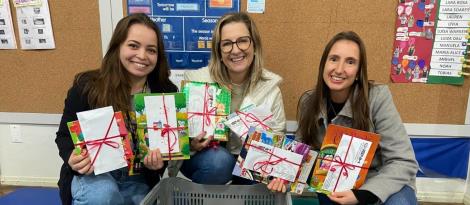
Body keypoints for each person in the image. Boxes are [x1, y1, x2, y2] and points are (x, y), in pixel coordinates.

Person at [268, 31, 418, 205]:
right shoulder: (309, 101)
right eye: (333, 59)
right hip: (335, 184)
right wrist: (284, 177)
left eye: (350, 62)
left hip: (382, 186)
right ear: (323, 63)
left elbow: (403, 161)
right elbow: (302, 156)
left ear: (359, 71)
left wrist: (363, 195)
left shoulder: (377, 97)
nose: (339, 69)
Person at [55, 13, 177, 205]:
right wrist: (72, 157)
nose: (142, 56)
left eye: (151, 50)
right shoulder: (87, 87)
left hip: (138, 177)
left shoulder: (165, 92)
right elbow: (63, 136)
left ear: (158, 56)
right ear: (118, 46)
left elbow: (169, 147)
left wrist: (158, 164)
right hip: (94, 174)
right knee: (103, 195)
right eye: (133, 45)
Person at [167, 12, 286, 184]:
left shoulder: (270, 89)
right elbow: (175, 136)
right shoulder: (197, 81)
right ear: (219, 52)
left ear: (255, 45)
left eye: (243, 41)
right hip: (205, 159)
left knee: (260, 176)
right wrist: (191, 144)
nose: (235, 50)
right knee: (220, 162)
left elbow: (277, 139)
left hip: (248, 161)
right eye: (227, 44)